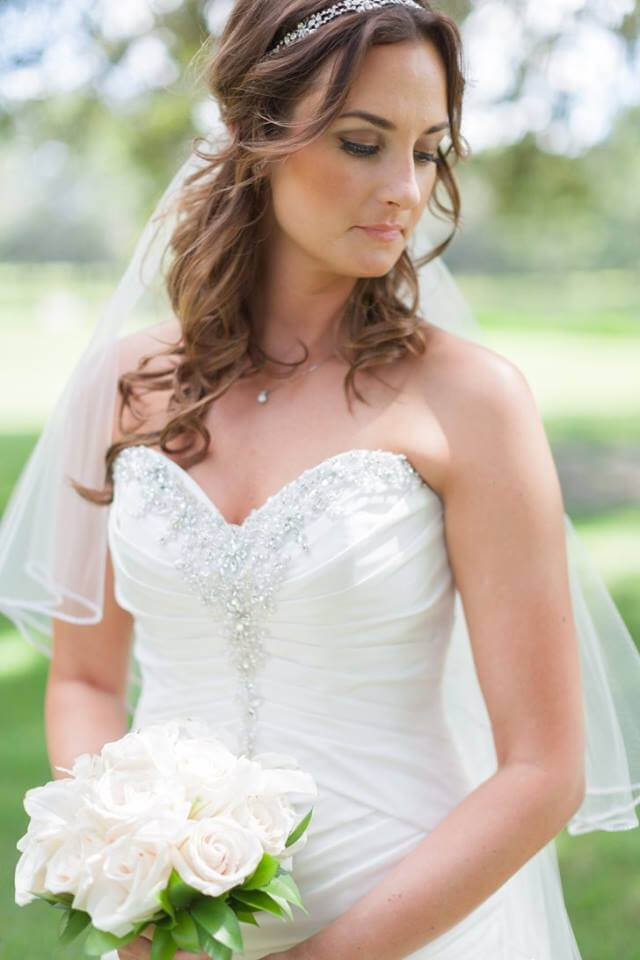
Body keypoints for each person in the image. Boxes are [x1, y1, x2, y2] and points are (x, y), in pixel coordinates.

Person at [3, 2, 640, 959]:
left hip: (418, 922)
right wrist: (127, 886)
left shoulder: (472, 402)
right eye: (362, 143)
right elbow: (87, 680)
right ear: (256, 134)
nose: (405, 190)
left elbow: (543, 769)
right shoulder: (127, 387)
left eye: (428, 151)